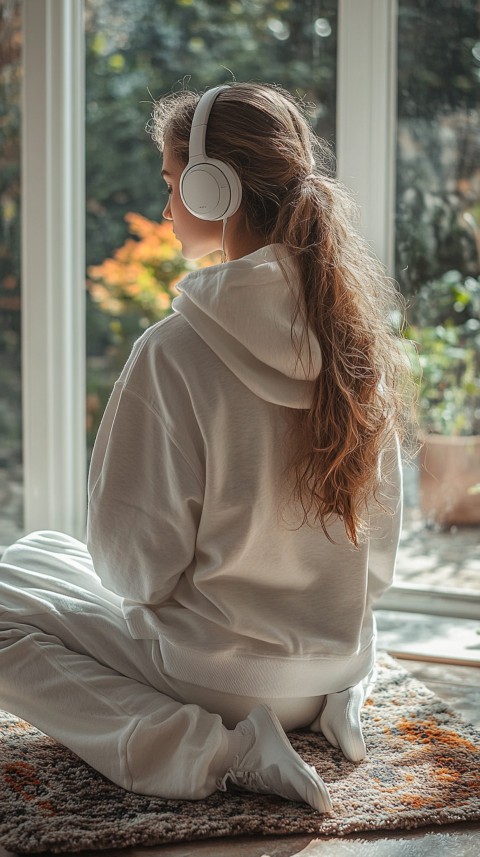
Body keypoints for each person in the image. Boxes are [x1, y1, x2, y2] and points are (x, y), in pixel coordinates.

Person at [0, 82, 407, 812]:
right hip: (328, 661)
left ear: (210, 188)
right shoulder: (355, 344)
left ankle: (213, 749)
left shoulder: (177, 350)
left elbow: (136, 570)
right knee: (34, 554)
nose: (164, 207)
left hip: (217, 679)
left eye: (170, 185)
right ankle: (340, 702)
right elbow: (376, 566)